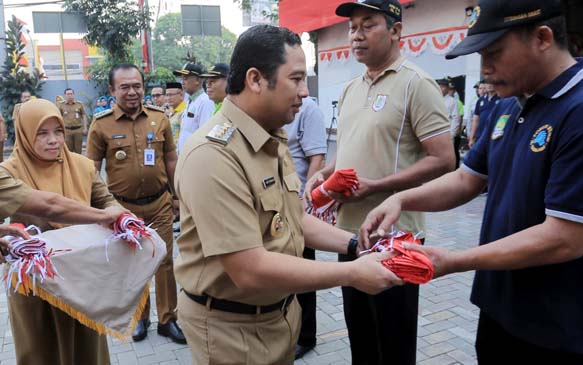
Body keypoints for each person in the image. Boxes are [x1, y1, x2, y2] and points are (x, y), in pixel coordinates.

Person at [361, 0, 583, 363]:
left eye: (494, 54)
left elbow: (565, 239)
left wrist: (453, 260)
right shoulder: (508, 104)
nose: (485, 70)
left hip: (559, 327)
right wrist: (402, 200)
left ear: (543, 38)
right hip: (500, 308)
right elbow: (467, 179)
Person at [174, 24, 401, 365]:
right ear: (255, 80)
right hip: (231, 330)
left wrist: (356, 245)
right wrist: (352, 273)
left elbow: (293, 217)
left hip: (276, 317)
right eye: (295, 79)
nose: (305, 92)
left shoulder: (271, 137)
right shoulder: (214, 155)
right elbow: (249, 270)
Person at [303, 1, 455, 364]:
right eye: (352, 27)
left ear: (396, 31)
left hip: (395, 237)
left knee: (394, 341)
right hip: (348, 234)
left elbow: (445, 158)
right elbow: (351, 146)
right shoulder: (351, 87)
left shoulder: (416, 84)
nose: (356, 35)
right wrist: (327, 173)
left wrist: (379, 185)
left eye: (367, 25)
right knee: (362, 338)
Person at [1, 98, 124, 365]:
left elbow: (105, 200)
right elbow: (52, 207)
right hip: (34, 283)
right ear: (24, 133)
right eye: (42, 133)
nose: (53, 140)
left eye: (58, 131)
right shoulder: (9, 172)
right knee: (41, 350)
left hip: (82, 277)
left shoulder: (81, 165)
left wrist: (119, 217)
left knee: (87, 347)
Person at [86, 63, 185, 344]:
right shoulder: (101, 124)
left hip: (160, 204)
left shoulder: (159, 118)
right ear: (112, 90)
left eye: (137, 86)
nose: (132, 92)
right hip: (122, 209)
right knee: (134, 263)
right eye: (125, 87)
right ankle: (140, 319)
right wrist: (98, 209)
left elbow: (171, 161)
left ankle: (168, 319)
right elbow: (90, 170)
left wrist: (177, 196)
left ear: (143, 87)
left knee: (165, 261)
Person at [282, 96, 327, 359]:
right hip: (276, 203)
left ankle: (306, 335)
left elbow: (317, 157)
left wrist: (305, 198)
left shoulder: (308, 108)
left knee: (303, 270)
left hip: (299, 203)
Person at [173, 63, 215, 153]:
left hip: (195, 156)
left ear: (197, 80)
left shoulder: (205, 102)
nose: (182, 82)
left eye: (186, 78)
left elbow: (205, 135)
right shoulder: (189, 101)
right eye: (182, 79)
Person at [437, 78, 461, 169]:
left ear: (447, 88)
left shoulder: (452, 101)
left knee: (447, 156)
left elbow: (455, 118)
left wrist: (452, 134)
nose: (441, 88)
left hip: (447, 132)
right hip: (435, 132)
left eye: (443, 87)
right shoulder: (434, 99)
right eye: (439, 86)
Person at [469, 80, 499, 148]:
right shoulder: (480, 100)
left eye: (491, 82)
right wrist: (471, 137)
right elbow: (475, 120)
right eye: (487, 83)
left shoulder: (502, 99)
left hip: (494, 136)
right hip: (480, 136)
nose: (489, 85)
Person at [58, 88, 88, 154]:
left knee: (78, 150)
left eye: (71, 94)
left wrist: (85, 127)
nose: (69, 95)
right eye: (68, 94)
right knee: (68, 151)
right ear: (65, 95)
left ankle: (78, 164)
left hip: (78, 130)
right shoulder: (61, 105)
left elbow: (84, 115)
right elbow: (58, 117)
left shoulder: (79, 104)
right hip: (67, 130)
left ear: (73, 95)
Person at [165, 82, 185, 146]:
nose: (168, 98)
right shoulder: (171, 111)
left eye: (171, 95)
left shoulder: (185, 111)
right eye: (167, 95)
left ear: (181, 95)